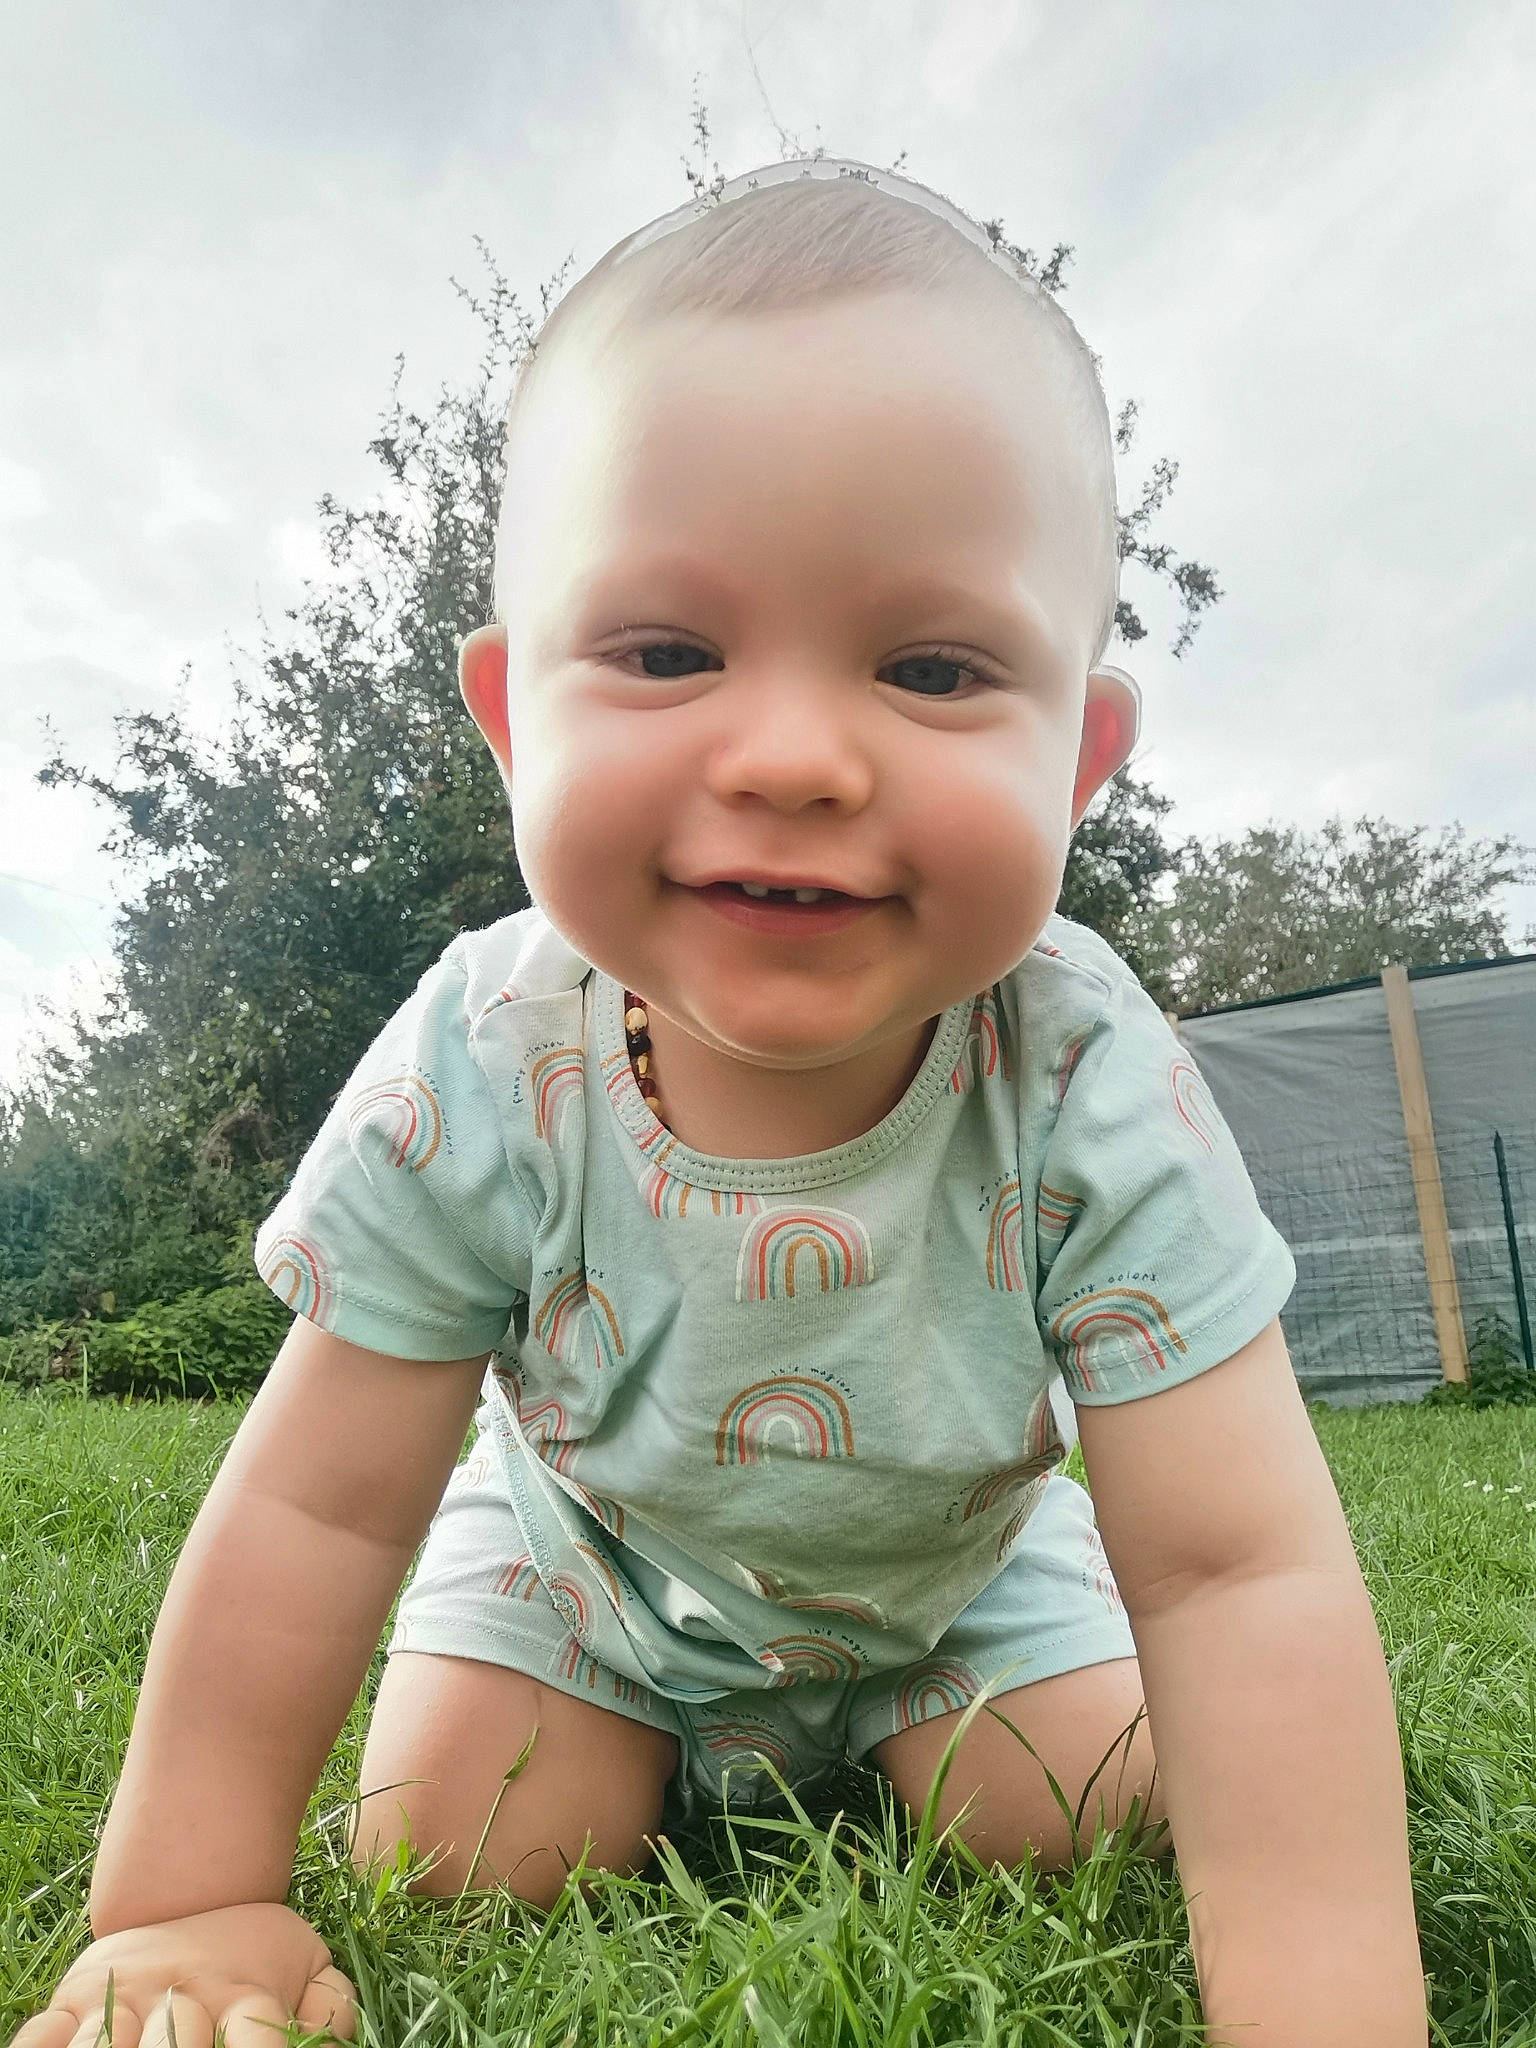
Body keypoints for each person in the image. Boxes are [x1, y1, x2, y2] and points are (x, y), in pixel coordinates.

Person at [10, 157, 1426, 2048]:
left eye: (932, 668)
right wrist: (185, 1901)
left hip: (961, 1588)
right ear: (518, 720)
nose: (789, 758)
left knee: (1066, 1815)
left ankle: (921, 1713)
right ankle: (635, 1729)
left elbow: (1238, 1565)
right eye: (669, 653)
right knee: (453, 1849)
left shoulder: (1082, 1067)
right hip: (588, 1571)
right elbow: (319, 1509)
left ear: (1078, 756)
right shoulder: (489, 1049)